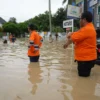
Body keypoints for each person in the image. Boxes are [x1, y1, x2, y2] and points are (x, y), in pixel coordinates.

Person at [63, 11, 97, 77]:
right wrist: (71, 34)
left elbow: (72, 39)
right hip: (87, 59)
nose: (79, 21)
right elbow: (78, 34)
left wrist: (66, 44)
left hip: (85, 60)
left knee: (83, 80)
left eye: (80, 19)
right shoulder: (90, 27)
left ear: (84, 20)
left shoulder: (86, 29)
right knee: (85, 79)